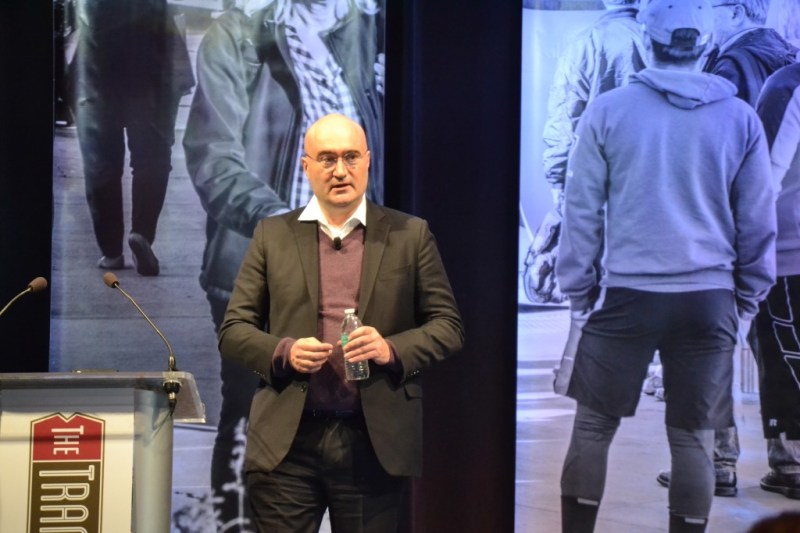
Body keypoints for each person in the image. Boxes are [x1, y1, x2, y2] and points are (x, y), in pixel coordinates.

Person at [555, 0, 776, 531]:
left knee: (592, 428)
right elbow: (756, 222)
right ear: (704, 47)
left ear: (645, 43)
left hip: (625, 294)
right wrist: (744, 301)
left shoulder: (608, 112)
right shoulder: (739, 117)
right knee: (693, 436)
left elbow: (581, 212)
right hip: (708, 298)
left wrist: (579, 293)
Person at [182, 1, 384, 529]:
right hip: (259, 272)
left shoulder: (373, 34)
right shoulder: (240, 37)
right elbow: (212, 155)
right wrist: (285, 229)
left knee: (360, 422)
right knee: (252, 416)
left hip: (361, 276)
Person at [218, 113, 464, 531]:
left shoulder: (410, 234)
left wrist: (391, 349)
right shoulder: (272, 235)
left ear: (368, 161)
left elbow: (448, 326)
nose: (340, 171)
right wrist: (284, 352)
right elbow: (234, 331)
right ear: (306, 166)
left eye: (351, 157)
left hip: (374, 442)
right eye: (327, 158)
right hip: (287, 444)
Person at [657, 0, 798, 497]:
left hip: (749, 234)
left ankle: (720, 462)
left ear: (736, 11)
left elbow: (750, 166)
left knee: (716, 345)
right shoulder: (779, 60)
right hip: (772, 239)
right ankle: (782, 459)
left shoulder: (738, 67)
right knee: (771, 352)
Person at [524, 0, 647, 304]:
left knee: (593, 293)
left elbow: (564, 117)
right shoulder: (656, 41)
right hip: (648, 183)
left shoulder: (587, 42)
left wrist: (557, 181)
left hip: (594, 182)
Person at [71, 0, 194, 276]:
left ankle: (112, 253)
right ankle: (141, 234)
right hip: (154, 57)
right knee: (152, 156)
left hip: (98, 58)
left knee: (101, 160)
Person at [752, 62, 800, 500]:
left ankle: (791, 463)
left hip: (789, 253)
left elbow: (763, 180)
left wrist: (750, 254)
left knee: (785, 357)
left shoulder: (789, 85)